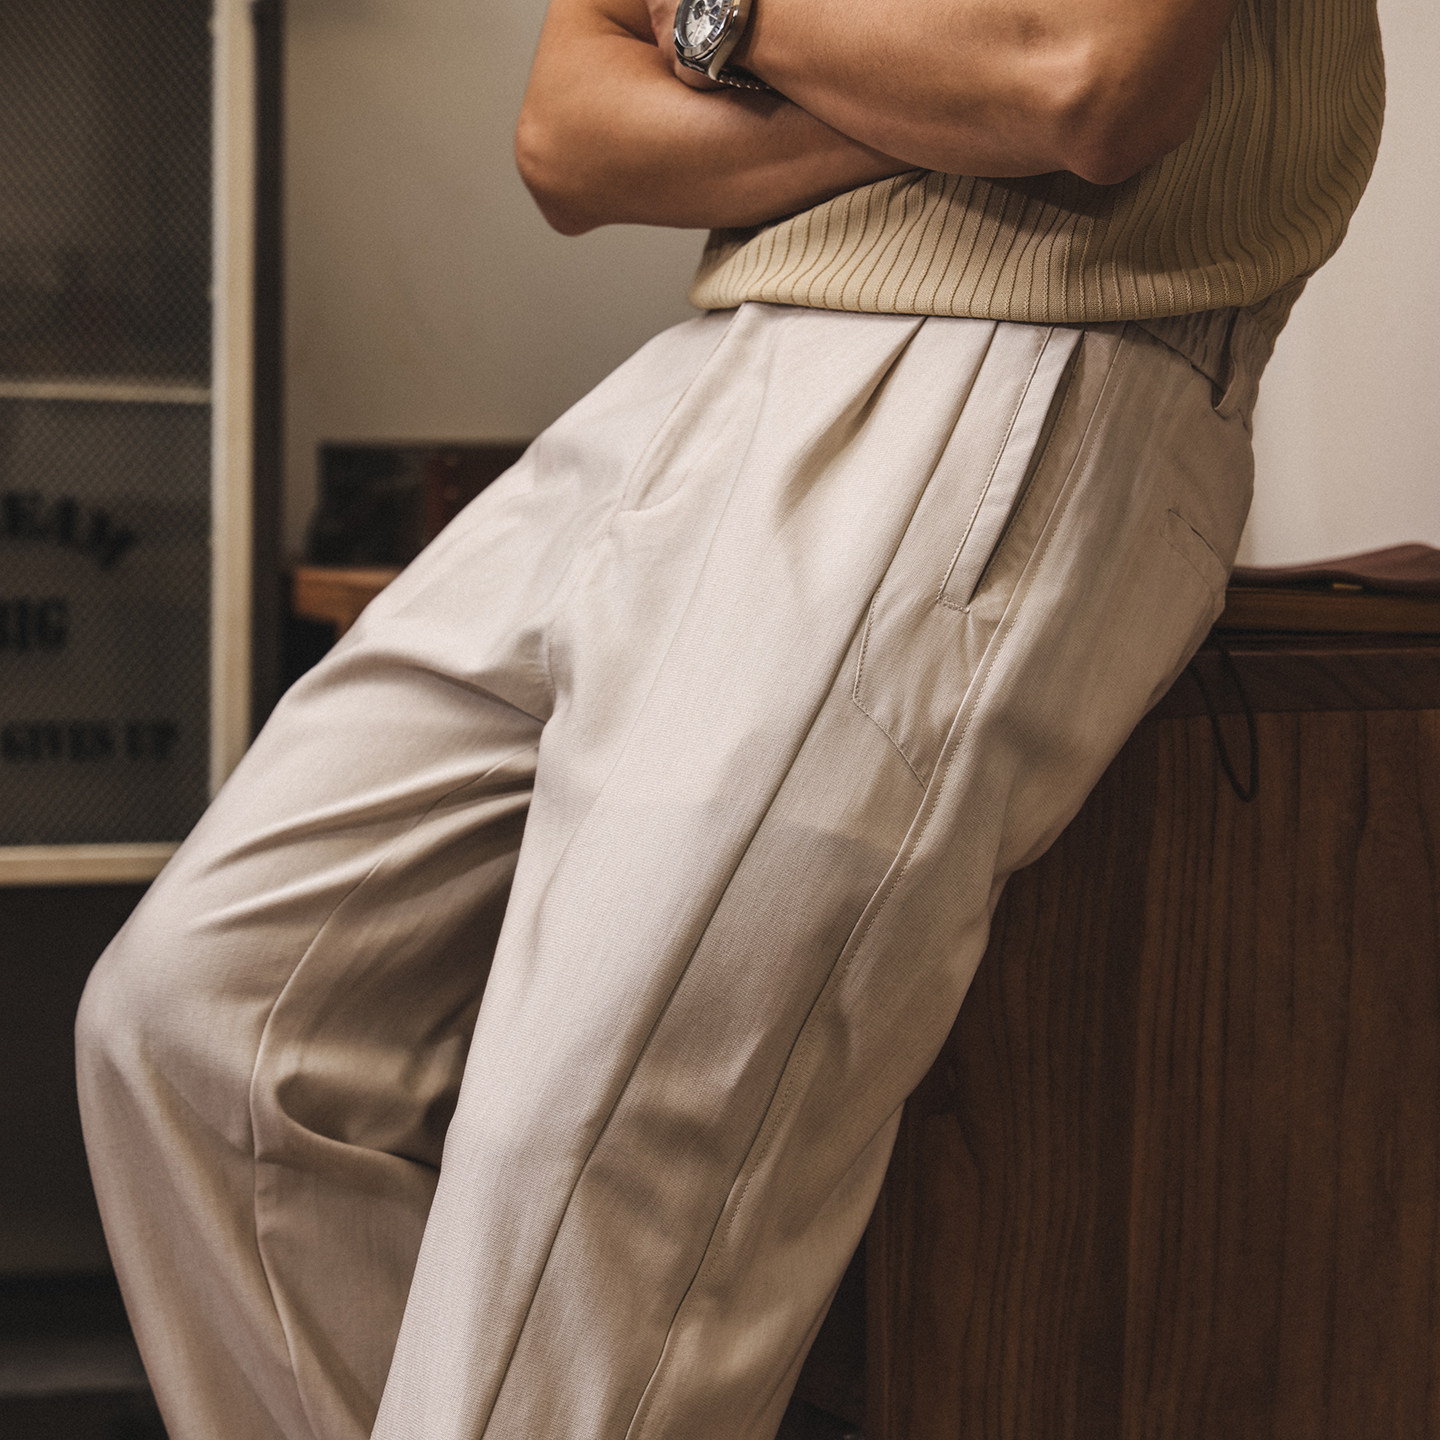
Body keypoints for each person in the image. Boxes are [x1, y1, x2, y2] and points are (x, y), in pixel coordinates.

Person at [75, 0, 1383, 1436]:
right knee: (200, 1023)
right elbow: (567, 137)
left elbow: (1086, 80)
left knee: (582, 1153)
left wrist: (723, 24)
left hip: (1024, 350)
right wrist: (937, 102)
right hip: (715, 359)